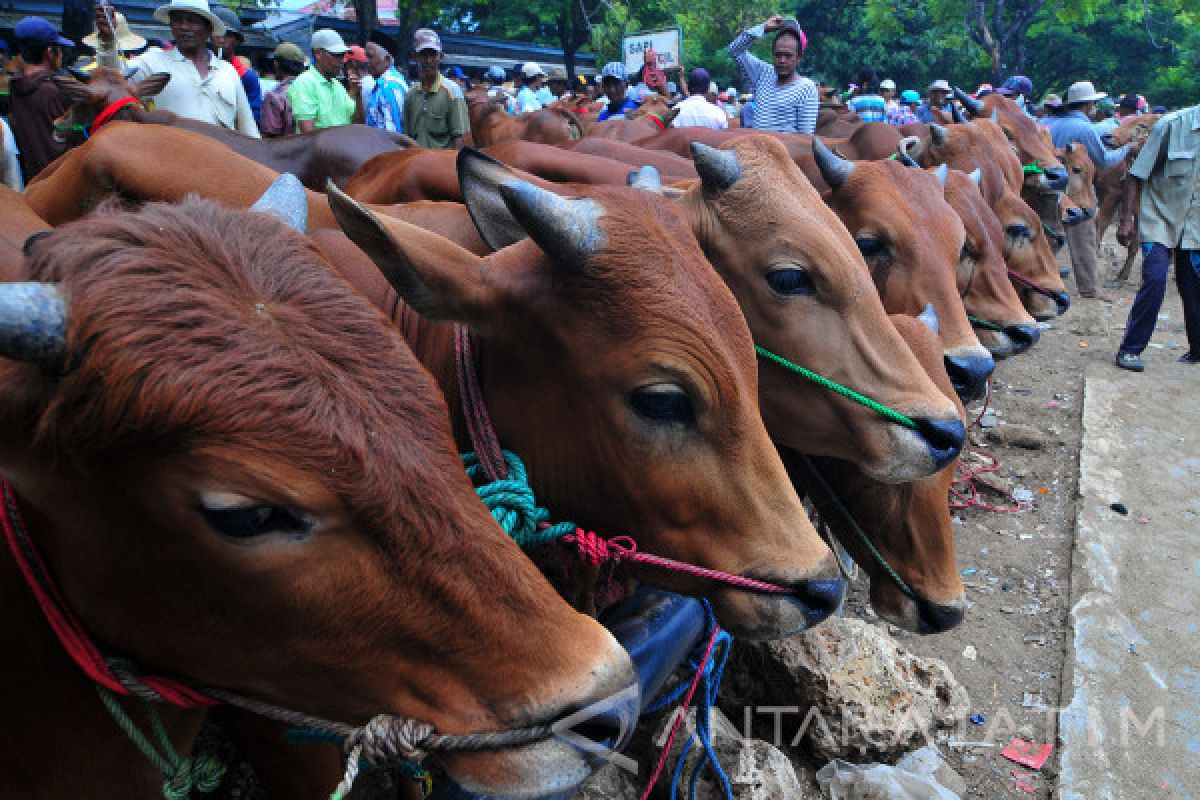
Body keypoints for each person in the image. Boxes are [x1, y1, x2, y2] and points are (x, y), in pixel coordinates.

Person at [1113, 104, 1200, 371]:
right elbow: (1135, 176)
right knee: (1155, 278)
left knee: (1193, 285)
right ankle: (1129, 350)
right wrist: (1127, 218)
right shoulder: (1172, 126)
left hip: (1195, 227)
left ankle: (1197, 350)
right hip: (1160, 219)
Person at [94, 0, 258, 136]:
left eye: (192, 21)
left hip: (221, 168)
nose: (184, 27)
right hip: (170, 167)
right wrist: (108, 41)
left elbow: (248, 130)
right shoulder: (153, 61)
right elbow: (112, 78)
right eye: (178, 20)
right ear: (171, 26)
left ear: (209, 29)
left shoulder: (227, 71)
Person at [1043, 81, 1132, 303]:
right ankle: (1089, 288)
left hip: (1044, 186)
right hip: (1074, 187)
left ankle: (1042, 281)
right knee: (1083, 235)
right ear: (1089, 105)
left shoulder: (1046, 122)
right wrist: (1128, 148)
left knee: (1046, 235)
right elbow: (1103, 159)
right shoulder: (1084, 128)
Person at [728, 15, 818, 134]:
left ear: (799, 57)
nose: (782, 60)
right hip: (755, 148)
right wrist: (764, 27)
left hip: (785, 151)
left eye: (788, 55)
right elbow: (734, 50)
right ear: (772, 54)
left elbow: (805, 137)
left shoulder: (806, 88)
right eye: (778, 55)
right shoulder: (762, 74)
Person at [8, 17, 71, 179]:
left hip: (33, 182)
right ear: (50, 52)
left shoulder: (15, 87)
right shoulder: (53, 91)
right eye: (59, 48)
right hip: (58, 181)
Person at [402, 28, 468, 149]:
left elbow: (460, 137)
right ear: (415, 57)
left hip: (442, 165)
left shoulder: (452, 91)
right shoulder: (411, 94)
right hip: (416, 163)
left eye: (433, 55)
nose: (428, 60)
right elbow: (406, 137)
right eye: (423, 55)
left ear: (440, 57)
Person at [288, 29, 363, 132]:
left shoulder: (337, 85)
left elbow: (358, 125)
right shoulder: (305, 83)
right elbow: (308, 135)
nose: (341, 61)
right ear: (318, 54)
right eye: (336, 55)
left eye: (343, 55)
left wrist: (358, 95)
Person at [210, 5, 261, 127]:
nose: (221, 40)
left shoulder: (246, 77)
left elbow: (254, 120)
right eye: (217, 33)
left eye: (227, 35)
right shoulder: (194, 67)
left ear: (237, 40)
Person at [260, 41, 304, 137]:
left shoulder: (274, 97)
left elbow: (270, 137)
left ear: (276, 64)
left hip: (285, 150)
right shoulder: (311, 90)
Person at [363, 42, 407, 133]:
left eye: (370, 57)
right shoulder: (383, 84)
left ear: (387, 60)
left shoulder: (389, 87)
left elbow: (392, 134)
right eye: (366, 56)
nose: (366, 61)